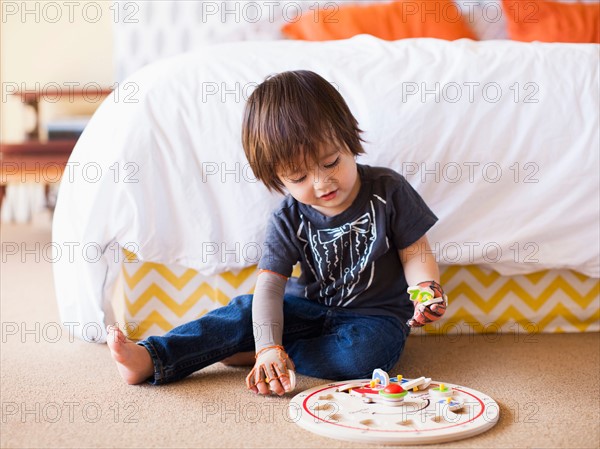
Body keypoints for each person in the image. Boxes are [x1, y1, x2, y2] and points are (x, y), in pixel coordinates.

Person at [107, 70, 447, 396]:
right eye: (298, 178)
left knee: (364, 356)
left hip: (374, 320)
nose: (322, 183)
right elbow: (270, 288)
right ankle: (152, 358)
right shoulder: (288, 216)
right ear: (277, 179)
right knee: (245, 311)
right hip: (308, 308)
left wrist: (425, 289)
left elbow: (415, 252)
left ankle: (261, 351)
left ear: (349, 138)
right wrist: (269, 341)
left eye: (331, 163)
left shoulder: (387, 191)